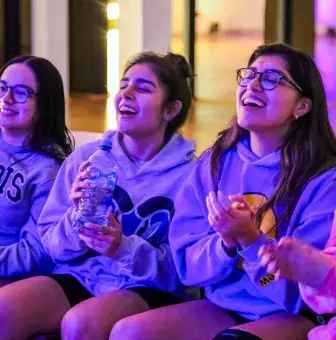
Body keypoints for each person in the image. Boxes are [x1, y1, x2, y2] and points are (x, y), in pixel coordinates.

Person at [108, 43, 336, 340]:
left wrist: (251, 241)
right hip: (222, 306)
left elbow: (302, 295)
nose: (252, 86)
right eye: (248, 75)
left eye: (271, 79)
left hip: (292, 315)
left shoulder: (324, 181)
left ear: (302, 106)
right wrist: (226, 246)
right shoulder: (216, 161)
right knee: (129, 333)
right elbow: (187, 267)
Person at [0, 52, 196, 340]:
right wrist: (75, 217)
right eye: (123, 85)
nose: (125, 94)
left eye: (142, 88)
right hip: (80, 274)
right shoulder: (87, 157)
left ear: (170, 109)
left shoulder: (190, 175)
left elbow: (184, 270)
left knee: (81, 323)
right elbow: (53, 247)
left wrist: (123, 247)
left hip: (144, 284)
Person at [0, 55, 74, 284]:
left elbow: (36, 253)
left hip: (10, 280)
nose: (7, 97)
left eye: (21, 92)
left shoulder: (49, 173)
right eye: (2, 87)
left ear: (44, 104)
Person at [259, 203, 336, 339]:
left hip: (294, 313)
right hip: (232, 301)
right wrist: (228, 246)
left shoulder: (321, 193)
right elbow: (266, 279)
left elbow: (276, 283)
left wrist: (250, 242)